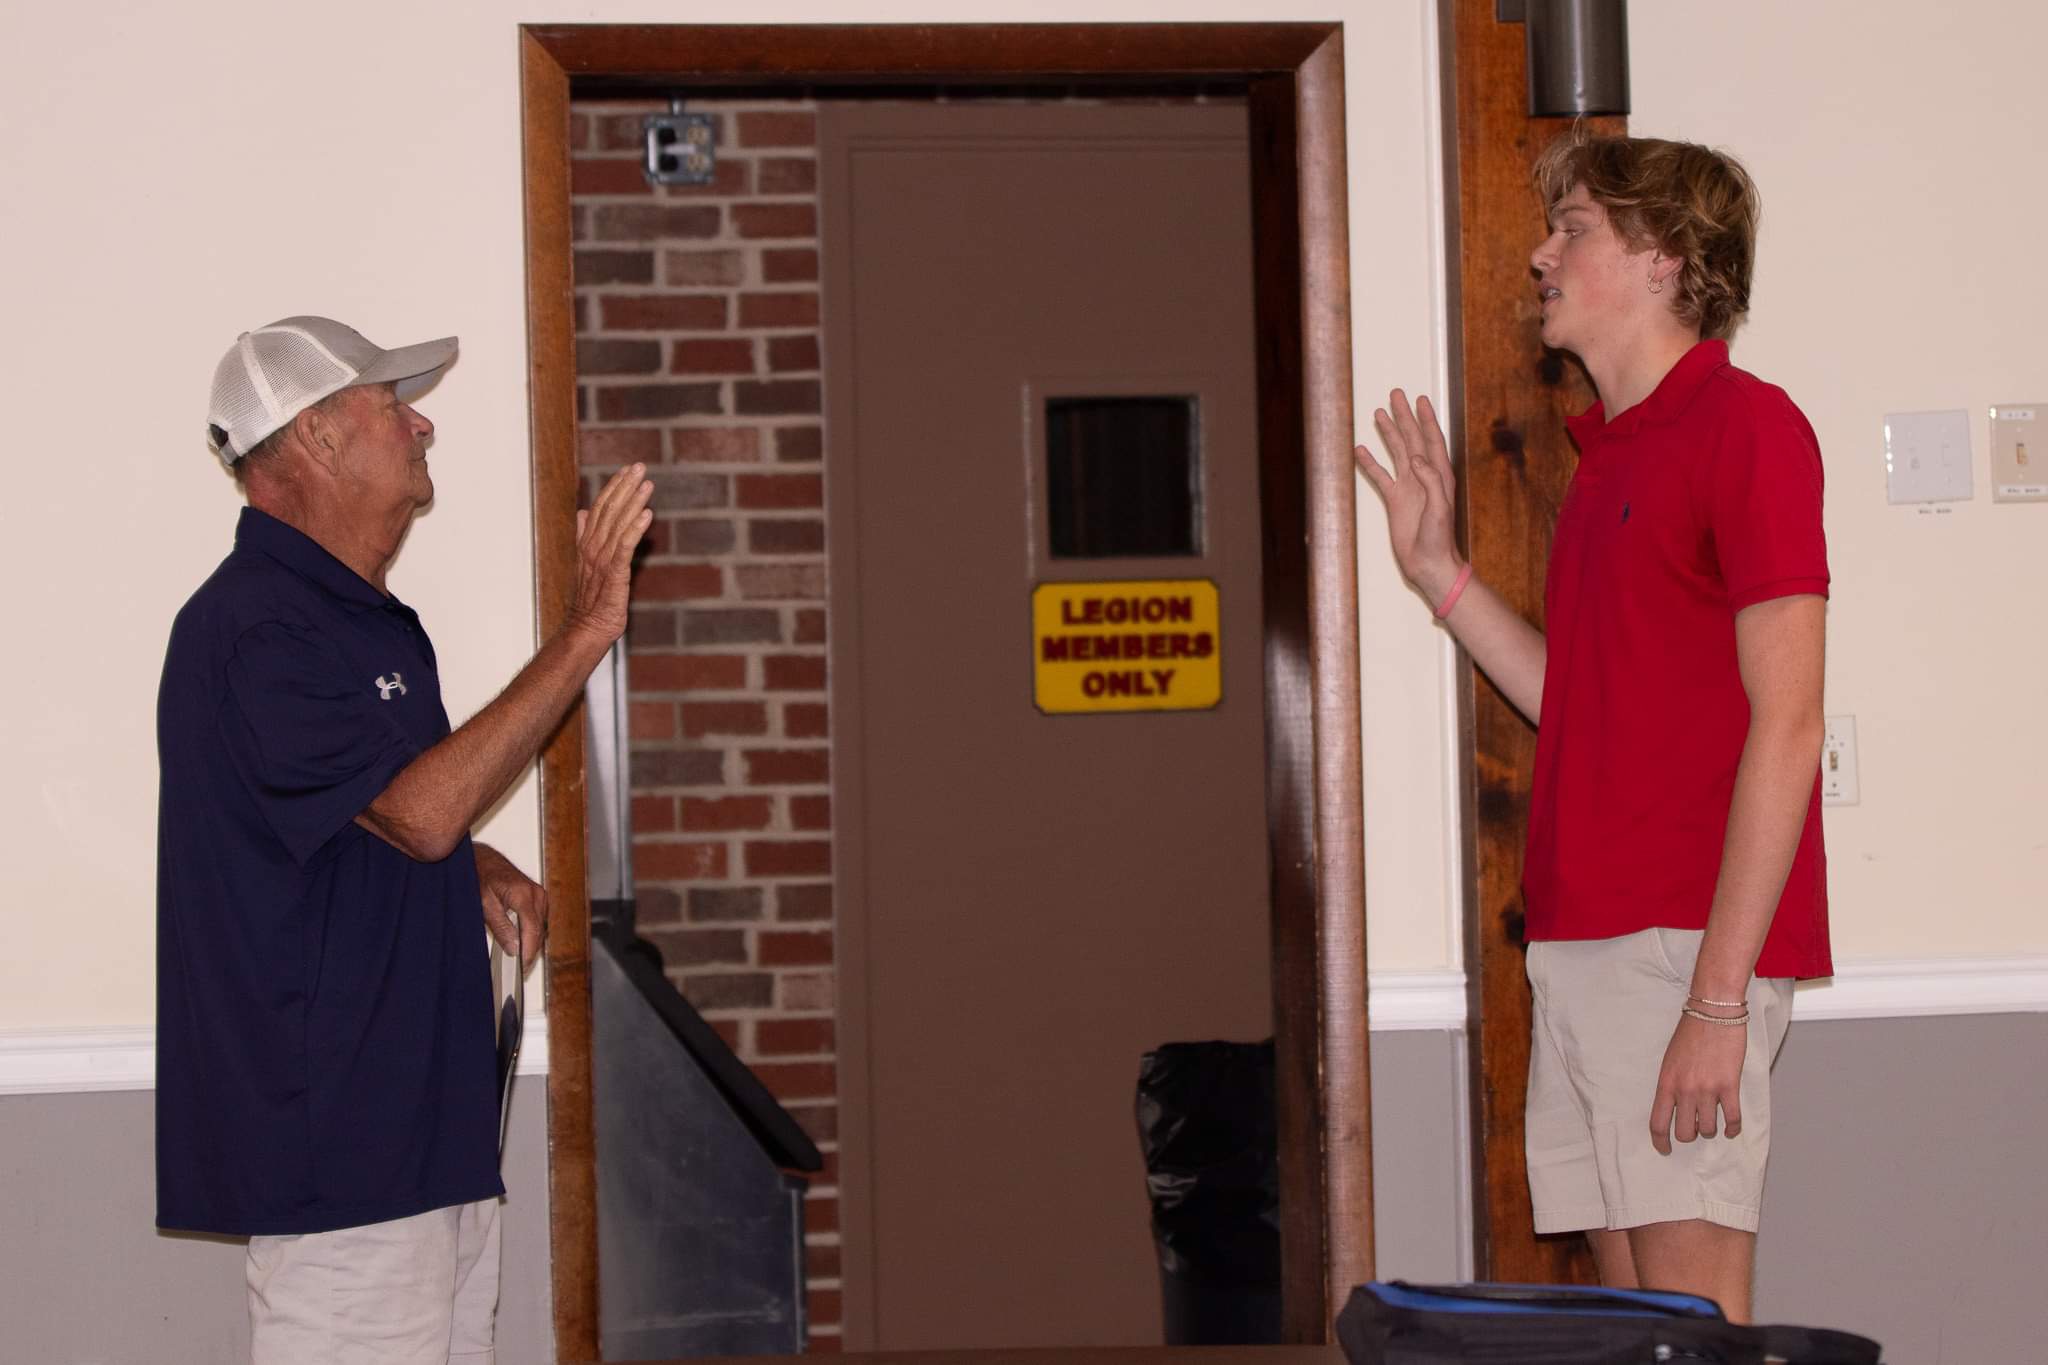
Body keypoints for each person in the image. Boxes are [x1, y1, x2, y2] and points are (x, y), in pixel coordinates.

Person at [1354, 133, 1830, 1323]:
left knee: (1690, 1335)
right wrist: (1438, 573)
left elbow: (1789, 722)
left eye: (1570, 228)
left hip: (1676, 954)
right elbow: (1580, 702)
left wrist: (1715, 1001)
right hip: (1586, 949)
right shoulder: (1612, 453)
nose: (1537, 253)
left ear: (1664, 257)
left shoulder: (1746, 429)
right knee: (1636, 1345)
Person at [157, 314, 653, 1363]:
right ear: (318, 440)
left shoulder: (360, 622)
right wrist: (583, 632)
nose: (421, 423)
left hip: (423, 1144)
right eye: (391, 403)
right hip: (344, 1160)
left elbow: (367, 819)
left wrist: (469, 864)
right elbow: (420, 814)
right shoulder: (256, 626)